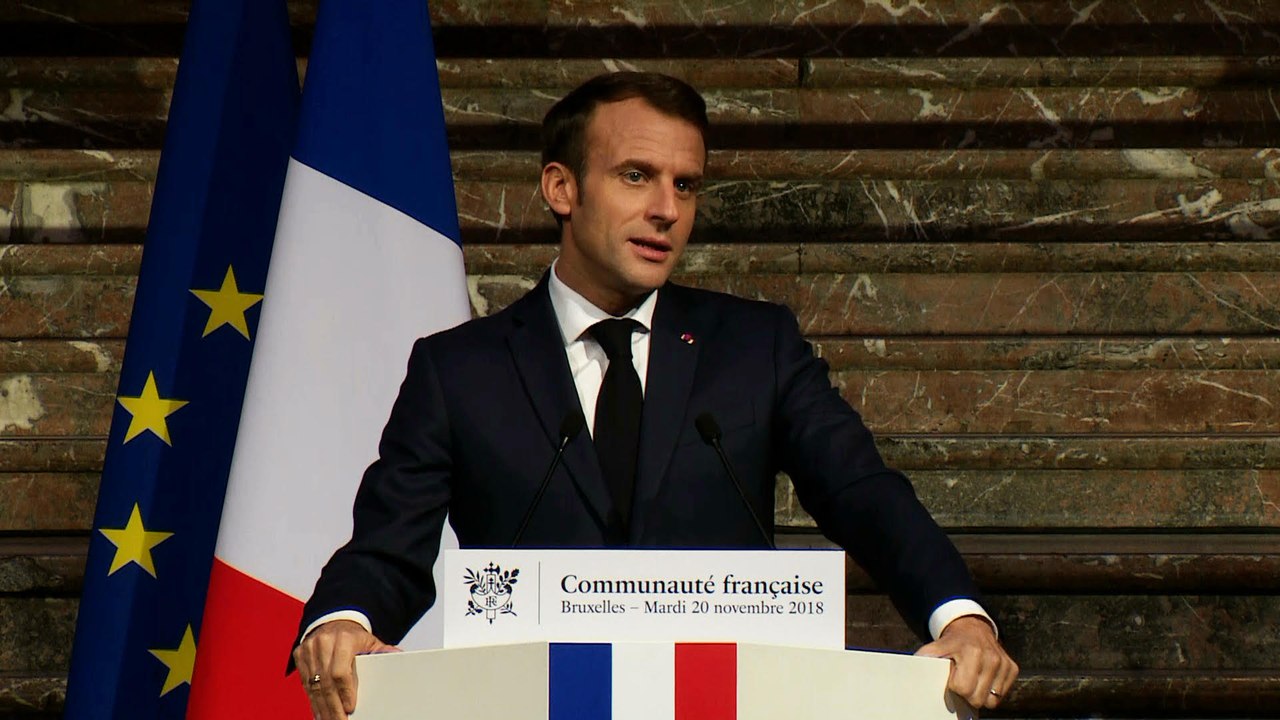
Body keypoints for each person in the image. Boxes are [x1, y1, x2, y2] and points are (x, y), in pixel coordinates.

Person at [293, 72, 1017, 720]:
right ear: (561, 188)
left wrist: (957, 616)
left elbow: (863, 493)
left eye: (686, 184)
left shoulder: (755, 348)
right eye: (637, 176)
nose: (667, 209)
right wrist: (343, 621)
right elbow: (388, 547)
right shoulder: (460, 370)